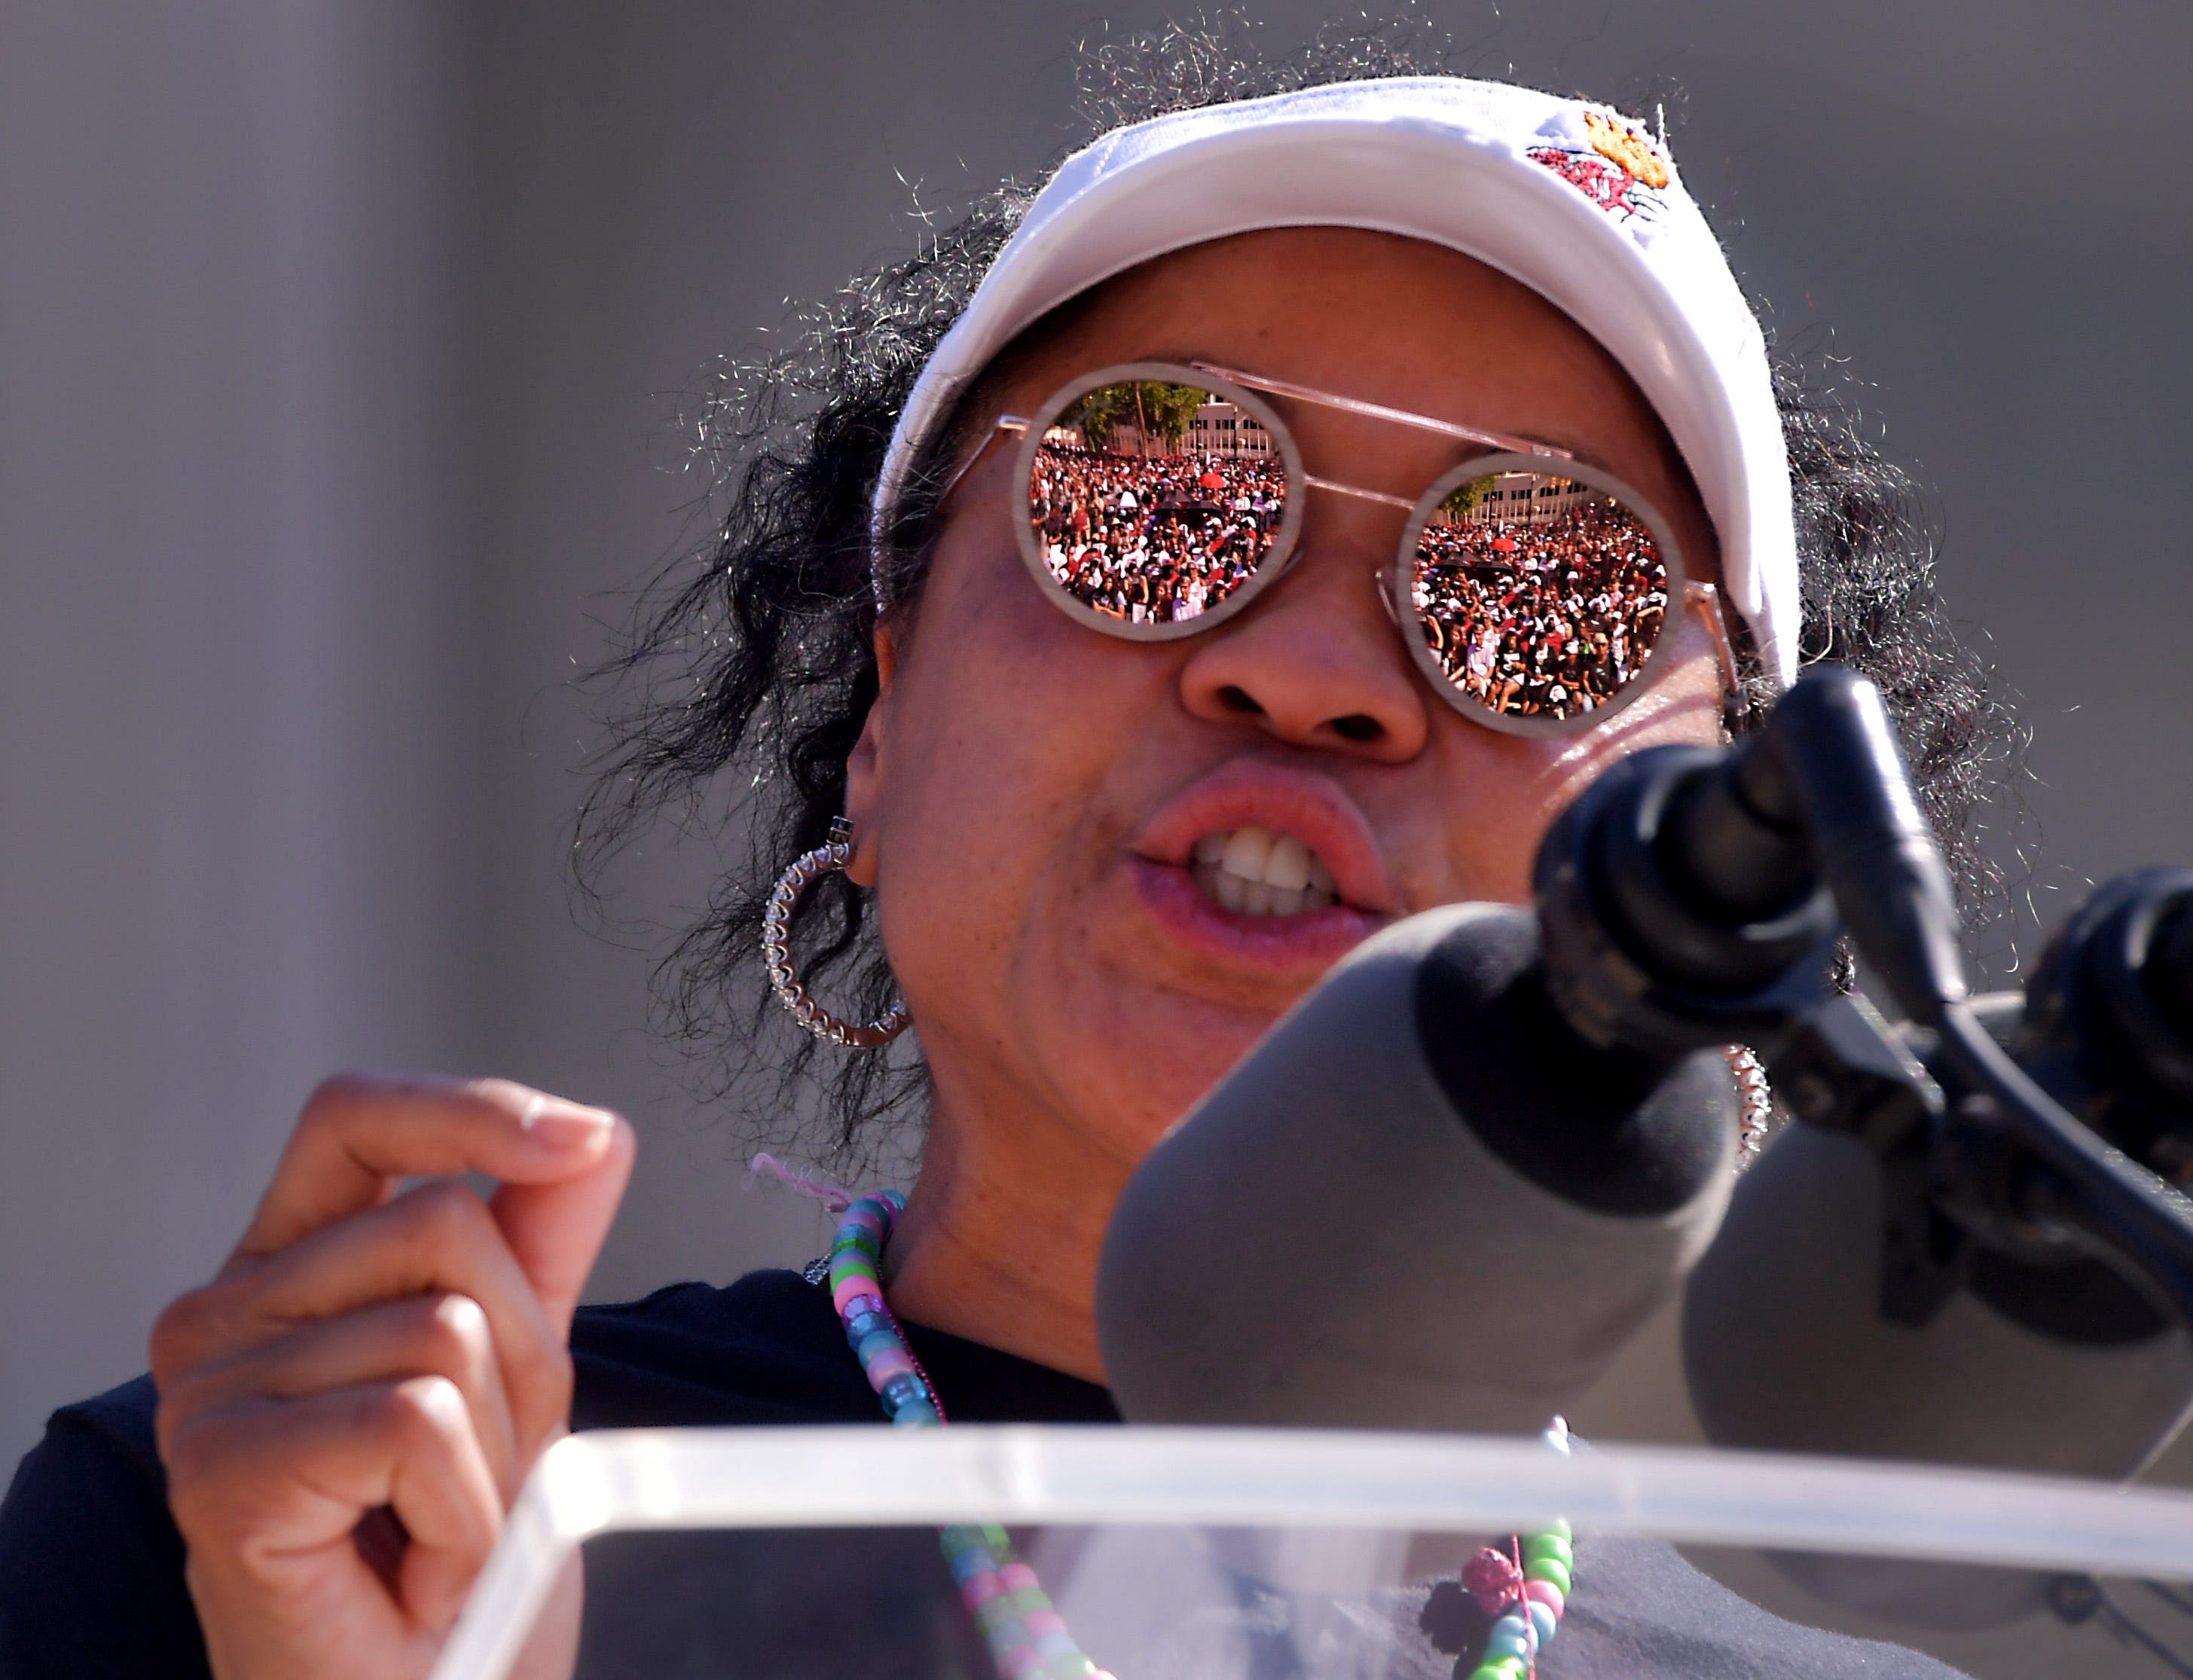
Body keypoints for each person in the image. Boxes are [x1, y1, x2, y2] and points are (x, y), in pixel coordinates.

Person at [0, 26, 2018, 1680]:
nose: (1313, 675)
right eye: (1146, 501)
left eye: (1534, 594)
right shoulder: (309, 1530)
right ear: (876, 731)